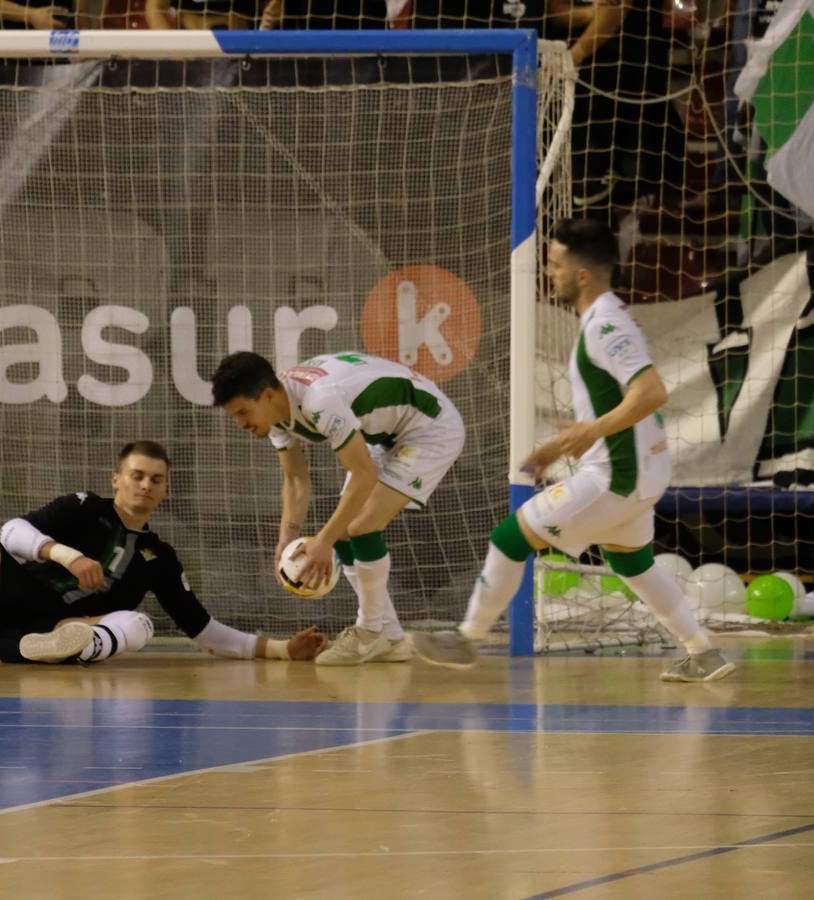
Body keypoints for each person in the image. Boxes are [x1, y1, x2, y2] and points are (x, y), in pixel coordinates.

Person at [413, 218, 735, 683]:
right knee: (631, 562)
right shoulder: (605, 317)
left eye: (556, 265)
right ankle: (702, 651)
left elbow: (651, 392)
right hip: (641, 470)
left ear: (582, 274)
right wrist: (563, 442)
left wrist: (590, 434)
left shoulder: (605, 324)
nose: (550, 274)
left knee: (509, 537)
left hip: (617, 475)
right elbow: (617, 405)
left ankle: (468, 637)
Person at [0, 441, 328, 665]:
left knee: (140, 626)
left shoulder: (159, 558)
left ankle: (67, 647)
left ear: (165, 490)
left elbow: (202, 630)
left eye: (157, 480)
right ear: (116, 479)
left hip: (37, 637)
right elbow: (9, 534)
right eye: (136, 476)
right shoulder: (81, 507)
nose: (145, 486)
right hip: (6, 594)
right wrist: (65, 555)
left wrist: (281, 651)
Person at [210, 349, 466, 667]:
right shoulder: (275, 414)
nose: (240, 423)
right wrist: (286, 538)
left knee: (359, 527)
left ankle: (370, 632)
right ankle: (392, 639)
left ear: (265, 395)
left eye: (243, 412)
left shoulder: (320, 401)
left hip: (430, 428)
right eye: (234, 416)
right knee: (344, 527)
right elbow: (295, 479)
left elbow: (363, 475)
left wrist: (323, 540)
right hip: (386, 435)